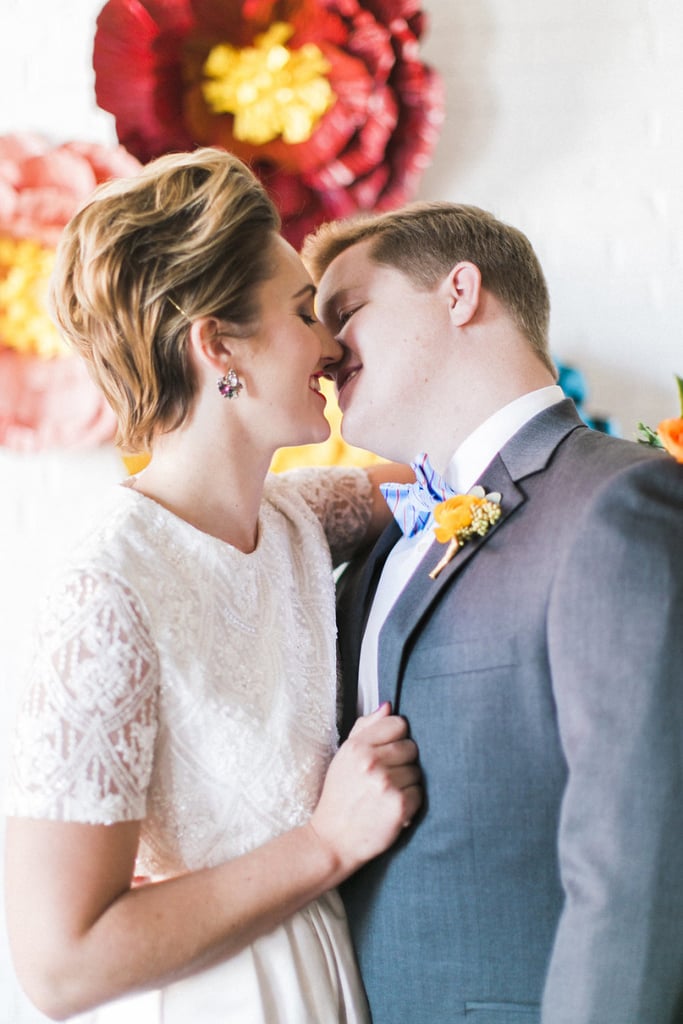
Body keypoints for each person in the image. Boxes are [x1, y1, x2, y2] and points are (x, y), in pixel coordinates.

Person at [3, 148, 422, 1024]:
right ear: (218, 344)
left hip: (326, 978)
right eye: (307, 312)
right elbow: (60, 965)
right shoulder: (106, 591)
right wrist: (324, 843)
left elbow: (440, 476)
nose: (331, 344)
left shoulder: (302, 519)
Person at [302, 201, 683, 1024]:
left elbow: (639, 862)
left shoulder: (620, 502)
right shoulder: (371, 554)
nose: (326, 353)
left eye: (347, 313)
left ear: (459, 292)